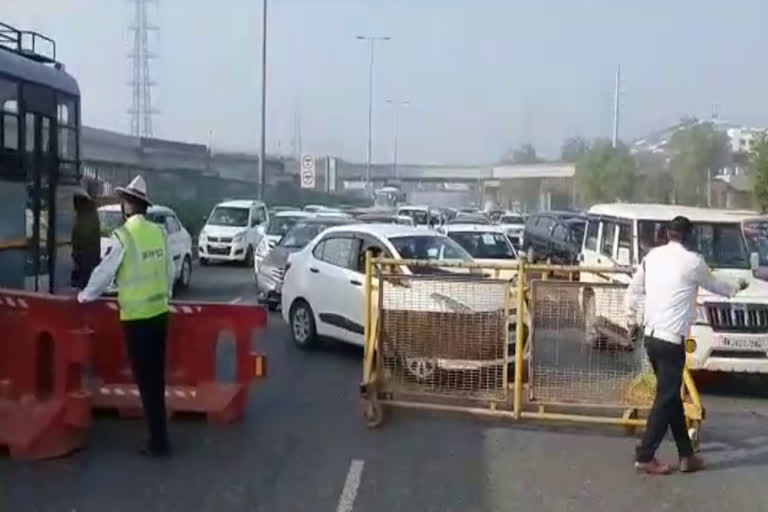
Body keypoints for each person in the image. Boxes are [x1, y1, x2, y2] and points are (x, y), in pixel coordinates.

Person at [626, 216, 748, 475]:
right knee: (666, 398)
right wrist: (738, 286)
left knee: (670, 399)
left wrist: (634, 318)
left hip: (651, 337)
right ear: (689, 236)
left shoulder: (652, 258)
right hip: (671, 341)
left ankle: (686, 455)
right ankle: (645, 455)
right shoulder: (693, 262)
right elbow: (719, 287)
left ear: (668, 234)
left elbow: (633, 291)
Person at [77, 176, 175, 458]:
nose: (122, 205)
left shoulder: (124, 236)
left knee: (146, 382)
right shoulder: (159, 233)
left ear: (129, 205)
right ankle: (161, 439)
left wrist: (85, 296)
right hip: (160, 314)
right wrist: (165, 295)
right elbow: (168, 271)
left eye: (124, 201)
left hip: (137, 319)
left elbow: (104, 273)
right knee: (156, 380)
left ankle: (158, 443)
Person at [70, 187, 101, 289]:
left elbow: (83, 235)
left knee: (85, 280)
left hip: (86, 255)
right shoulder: (89, 213)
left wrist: (76, 251)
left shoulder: (85, 216)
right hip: (88, 254)